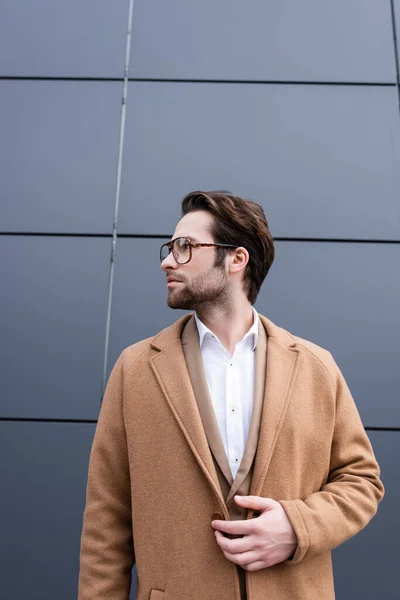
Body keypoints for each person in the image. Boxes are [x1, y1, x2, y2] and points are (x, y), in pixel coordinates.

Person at [78, 190, 384, 600]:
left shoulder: (315, 367)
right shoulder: (136, 369)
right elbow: (106, 521)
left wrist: (298, 527)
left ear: (236, 259)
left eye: (185, 247)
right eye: (170, 248)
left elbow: (361, 481)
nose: (167, 260)